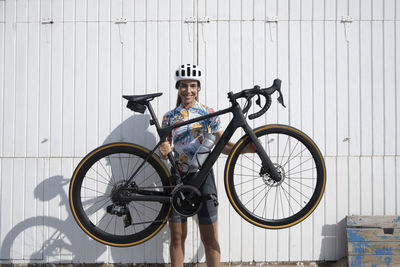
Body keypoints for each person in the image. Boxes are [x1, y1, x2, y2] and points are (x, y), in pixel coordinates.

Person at [159, 64, 255, 267]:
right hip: (177, 178)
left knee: (210, 240)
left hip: (203, 178)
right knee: (176, 239)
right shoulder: (169, 117)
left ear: (198, 88)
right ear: (178, 88)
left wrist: (247, 149)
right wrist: (163, 151)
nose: (188, 90)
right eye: (183, 86)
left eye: (192, 85)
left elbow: (223, 146)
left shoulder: (208, 113)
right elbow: (163, 151)